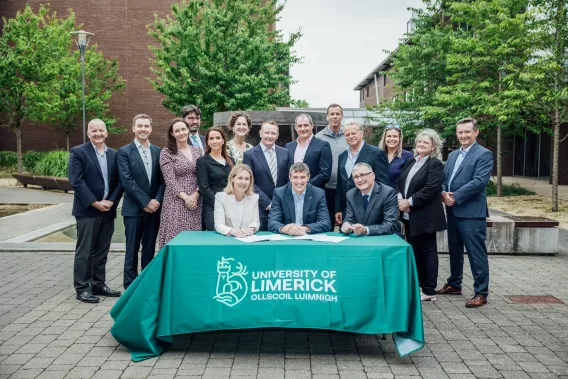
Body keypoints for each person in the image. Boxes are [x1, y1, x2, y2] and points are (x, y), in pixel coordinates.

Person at [437, 117, 493, 308]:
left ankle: (481, 292)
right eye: (460, 132)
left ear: (475, 132)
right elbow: (444, 178)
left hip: (471, 212)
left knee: (476, 253)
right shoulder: (452, 155)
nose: (463, 135)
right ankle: (454, 284)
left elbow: (479, 181)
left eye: (467, 132)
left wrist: (456, 196)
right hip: (452, 210)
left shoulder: (484, 154)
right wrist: (443, 192)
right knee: (454, 250)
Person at [68, 119, 123, 303]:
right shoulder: (78, 152)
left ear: (106, 133)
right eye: (94, 130)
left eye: (101, 130)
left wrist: (111, 201)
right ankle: (82, 288)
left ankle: (98, 284)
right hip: (87, 211)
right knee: (85, 251)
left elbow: (119, 182)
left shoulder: (113, 154)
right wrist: (94, 202)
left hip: (108, 209)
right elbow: (76, 181)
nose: (98, 133)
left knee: (102, 250)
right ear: (88, 133)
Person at [397, 129, 447, 302]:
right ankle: (419, 285)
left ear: (433, 147)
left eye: (425, 143)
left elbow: (431, 189)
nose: (421, 145)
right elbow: (400, 182)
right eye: (419, 142)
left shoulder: (435, 164)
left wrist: (409, 202)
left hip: (426, 215)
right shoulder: (412, 161)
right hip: (410, 216)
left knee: (428, 252)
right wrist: (400, 200)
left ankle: (430, 290)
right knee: (415, 251)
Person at [117, 114, 165, 290]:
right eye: (140, 126)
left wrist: (157, 201)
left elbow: (162, 180)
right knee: (132, 248)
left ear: (151, 129)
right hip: (134, 209)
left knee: (149, 247)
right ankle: (130, 285)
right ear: (133, 128)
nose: (143, 129)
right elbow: (127, 181)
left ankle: (146, 282)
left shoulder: (159, 152)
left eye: (146, 126)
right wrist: (146, 202)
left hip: (154, 209)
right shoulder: (123, 152)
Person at [158, 118, 203, 249]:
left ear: (188, 130)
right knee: (175, 236)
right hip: (176, 201)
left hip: (196, 201)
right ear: (172, 134)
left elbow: (202, 175)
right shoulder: (167, 153)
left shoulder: (197, 151)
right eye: (177, 131)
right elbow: (170, 180)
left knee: (194, 237)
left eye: (183, 129)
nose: (181, 132)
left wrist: (195, 195)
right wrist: (186, 198)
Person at [335, 120, 390, 226]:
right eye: (347, 134)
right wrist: (338, 209)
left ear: (361, 133)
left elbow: (384, 183)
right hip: (349, 210)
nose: (350, 136)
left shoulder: (376, 153)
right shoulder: (342, 156)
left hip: (371, 209)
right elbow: (340, 185)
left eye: (353, 133)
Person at [242, 121, 290, 230]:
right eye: (266, 132)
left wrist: (280, 200)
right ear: (260, 133)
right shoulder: (249, 155)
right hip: (260, 208)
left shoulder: (286, 153)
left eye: (273, 133)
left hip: (283, 207)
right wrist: (267, 203)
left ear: (277, 135)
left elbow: (289, 178)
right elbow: (249, 182)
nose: (270, 136)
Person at [268, 162, 331, 235]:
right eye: (295, 177)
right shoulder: (279, 193)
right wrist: (285, 229)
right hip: (287, 237)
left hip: (308, 237)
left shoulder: (318, 193)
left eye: (302, 177)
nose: (299, 181)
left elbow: (326, 223)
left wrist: (303, 229)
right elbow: (272, 222)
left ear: (308, 177)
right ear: (290, 177)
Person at [340, 163, 398, 236]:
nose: (360, 180)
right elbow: (349, 219)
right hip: (359, 239)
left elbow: (390, 225)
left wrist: (366, 230)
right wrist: (346, 225)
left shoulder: (388, 193)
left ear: (373, 175)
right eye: (356, 177)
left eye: (363, 175)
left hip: (383, 239)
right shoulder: (351, 194)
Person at [314, 104, 348, 223]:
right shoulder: (318, 138)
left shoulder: (349, 136)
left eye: (337, 114)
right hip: (325, 188)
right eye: (332, 114)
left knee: (346, 223)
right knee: (326, 223)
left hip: (345, 188)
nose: (335, 116)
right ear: (327, 117)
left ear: (342, 116)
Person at [197, 127, 235, 231]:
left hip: (231, 207)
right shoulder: (202, 161)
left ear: (223, 141)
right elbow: (204, 188)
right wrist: (220, 204)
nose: (215, 141)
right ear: (207, 142)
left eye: (218, 138)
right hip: (212, 207)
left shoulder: (231, 160)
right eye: (211, 138)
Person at [285, 113, 332, 189]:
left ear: (312, 126)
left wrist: (304, 186)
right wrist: (292, 187)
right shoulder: (288, 146)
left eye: (306, 125)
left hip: (314, 193)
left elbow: (325, 174)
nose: (303, 129)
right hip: (292, 192)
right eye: (300, 126)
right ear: (295, 128)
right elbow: (286, 171)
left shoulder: (323, 145)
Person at [214, 164, 260, 236]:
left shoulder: (254, 198)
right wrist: (233, 232)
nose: (243, 182)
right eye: (240, 178)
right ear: (232, 179)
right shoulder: (220, 197)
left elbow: (255, 222)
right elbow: (218, 225)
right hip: (228, 241)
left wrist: (251, 229)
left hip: (247, 240)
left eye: (247, 179)